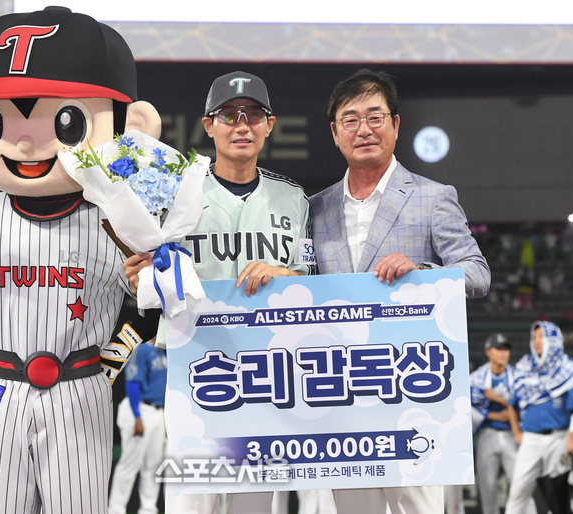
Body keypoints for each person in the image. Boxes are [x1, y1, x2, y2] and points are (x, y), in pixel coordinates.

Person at [0, 7, 160, 514]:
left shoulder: (120, 215)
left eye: (66, 120)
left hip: (79, 386)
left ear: (131, 126)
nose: (27, 140)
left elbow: (157, 310)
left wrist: (116, 352)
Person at [125, 71, 316, 514]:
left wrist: (286, 274)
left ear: (269, 125)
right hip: (196, 365)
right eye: (228, 115)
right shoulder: (175, 190)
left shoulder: (294, 198)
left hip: (268, 370)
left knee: (254, 506)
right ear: (209, 126)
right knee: (191, 503)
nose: (241, 125)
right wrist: (136, 278)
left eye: (253, 115)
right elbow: (142, 274)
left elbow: (312, 279)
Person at [309, 69, 491, 514]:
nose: (363, 130)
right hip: (342, 395)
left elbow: (477, 274)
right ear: (334, 133)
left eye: (375, 117)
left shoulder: (433, 196)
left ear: (395, 124)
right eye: (350, 120)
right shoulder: (315, 207)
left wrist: (423, 272)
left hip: (411, 392)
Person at [505, 321, 573, 514]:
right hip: (531, 440)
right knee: (517, 493)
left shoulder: (567, 369)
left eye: (541, 336)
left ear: (554, 340)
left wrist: (571, 437)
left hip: (559, 439)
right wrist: (516, 433)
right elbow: (511, 405)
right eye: (534, 337)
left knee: (558, 496)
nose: (536, 341)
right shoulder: (523, 368)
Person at [470, 334, 536, 514]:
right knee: (487, 490)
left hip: (511, 435)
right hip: (487, 434)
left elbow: (526, 405)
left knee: (521, 486)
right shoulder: (477, 378)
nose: (503, 353)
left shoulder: (517, 376)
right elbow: (468, 408)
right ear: (488, 352)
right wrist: (495, 415)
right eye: (498, 349)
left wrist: (497, 399)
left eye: (505, 349)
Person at [108, 336, 167, 514]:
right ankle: (115, 510)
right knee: (129, 465)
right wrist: (138, 418)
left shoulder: (163, 351)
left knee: (153, 466)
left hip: (158, 412)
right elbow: (133, 384)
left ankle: (148, 509)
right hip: (139, 409)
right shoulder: (141, 349)